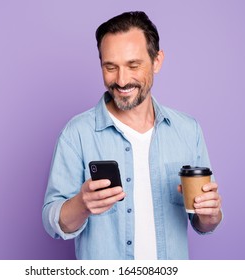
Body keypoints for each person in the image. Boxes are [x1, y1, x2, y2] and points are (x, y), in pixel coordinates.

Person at [42, 11, 222, 260]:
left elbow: (203, 223)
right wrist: (82, 205)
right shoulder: (76, 134)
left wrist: (211, 215)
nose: (122, 80)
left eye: (133, 65)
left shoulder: (188, 130)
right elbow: (52, 222)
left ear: (157, 61)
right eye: (110, 67)